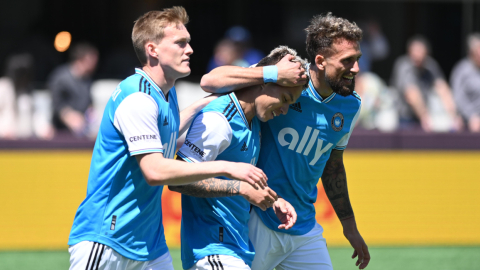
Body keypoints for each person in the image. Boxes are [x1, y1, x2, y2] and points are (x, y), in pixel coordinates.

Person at [68, 7, 270, 270]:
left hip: (149, 245)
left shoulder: (166, 93)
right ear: (152, 49)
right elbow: (154, 170)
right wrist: (229, 168)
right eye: (180, 43)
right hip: (107, 240)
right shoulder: (138, 98)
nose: (190, 50)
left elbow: (166, 138)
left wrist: (208, 102)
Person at [201, 12, 370, 270]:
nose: (356, 68)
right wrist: (270, 72)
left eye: (357, 59)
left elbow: (333, 164)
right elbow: (209, 81)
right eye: (347, 61)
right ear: (321, 61)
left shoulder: (351, 106)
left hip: (304, 227)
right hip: (258, 219)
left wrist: (350, 227)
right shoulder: (283, 83)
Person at [169, 46, 307, 270]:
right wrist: (240, 188)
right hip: (212, 251)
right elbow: (177, 179)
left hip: (236, 250)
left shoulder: (253, 121)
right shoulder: (219, 120)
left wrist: (273, 199)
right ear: (263, 81)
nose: (284, 111)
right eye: (284, 99)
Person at [390, 35, 461, 132]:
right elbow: (411, 94)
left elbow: (442, 88)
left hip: (425, 118)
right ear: (409, 52)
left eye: (420, 51)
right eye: (415, 51)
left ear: (427, 53)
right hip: (405, 119)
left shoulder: (430, 65)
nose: (417, 55)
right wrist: (425, 117)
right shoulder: (403, 66)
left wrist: (454, 116)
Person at [48, 42, 99, 137]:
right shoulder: (60, 77)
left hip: (83, 131)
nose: (96, 63)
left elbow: (88, 104)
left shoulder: (87, 80)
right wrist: (69, 116)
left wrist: (93, 118)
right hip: (61, 133)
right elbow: (56, 104)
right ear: (81, 59)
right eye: (92, 59)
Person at [450, 33, 480, 132]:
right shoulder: (461, 70)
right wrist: (471, 116)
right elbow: (458, 97)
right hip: (467, 122)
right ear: (471, 52)